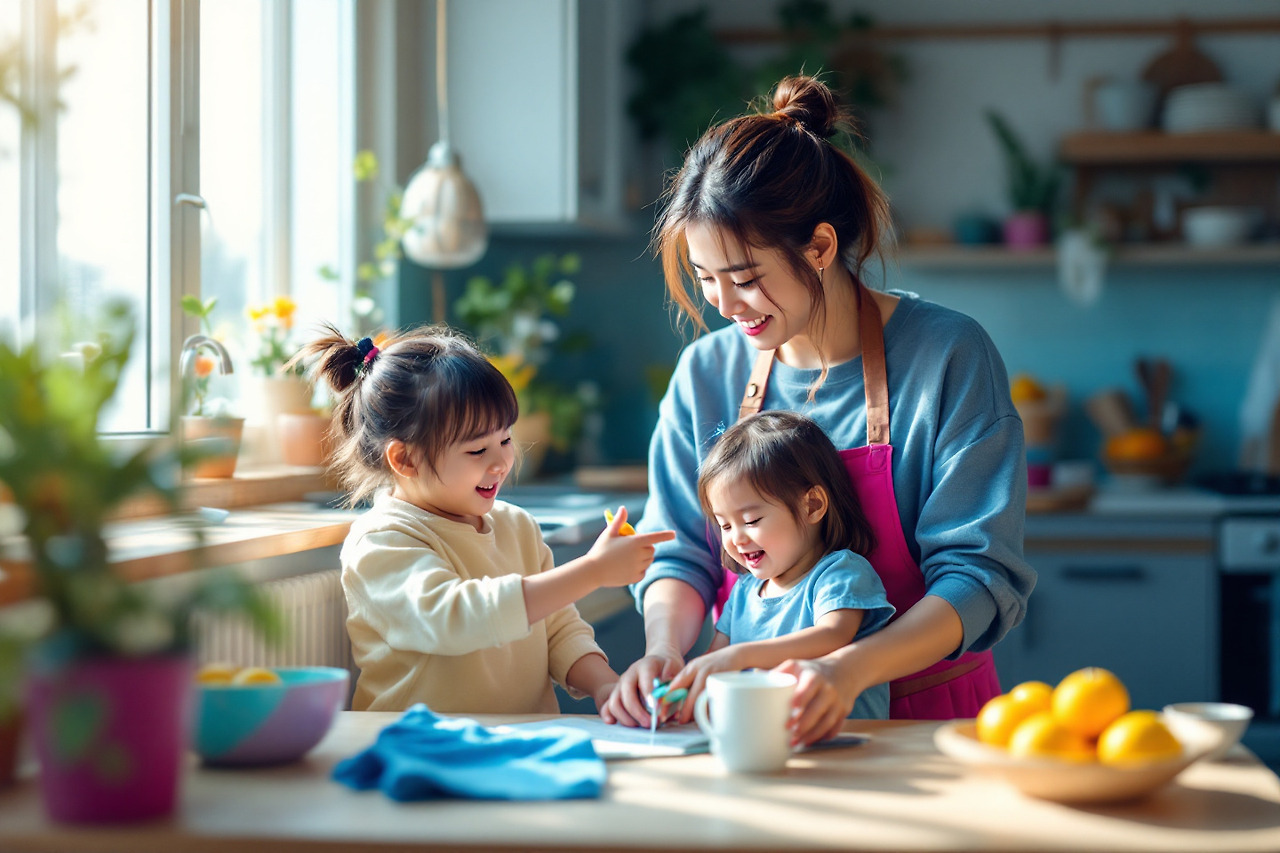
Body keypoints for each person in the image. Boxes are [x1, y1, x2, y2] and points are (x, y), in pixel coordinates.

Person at [600, 75, 1035, 744]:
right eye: (705, 277)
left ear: (822, 247)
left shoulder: (946, 355)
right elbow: (682, 552)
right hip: (748, 721)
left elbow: (978, 576)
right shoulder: (707, 377)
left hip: (930, 725)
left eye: (744, 278)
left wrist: (848, 669)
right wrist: (664, 645)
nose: (722, 303)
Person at [298, 324, 675, 715]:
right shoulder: (381, 540)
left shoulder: (517, 527)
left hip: (515, 746)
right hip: (418, 748)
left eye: (506, 440)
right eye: (478, 449)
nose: (501, 463)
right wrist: (593, 571)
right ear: (404, 459)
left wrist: (607, 686)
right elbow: (457, 618)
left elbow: (559, 630)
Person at [672, 410, 895, 719]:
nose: (736, 539)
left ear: (812, 505)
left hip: (846, 749)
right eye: (724, 526)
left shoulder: (840, 573)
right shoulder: (743, 594)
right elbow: (715, 661)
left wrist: (741, 656)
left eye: (751, 521)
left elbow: (833, 635)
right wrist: (681, 690)